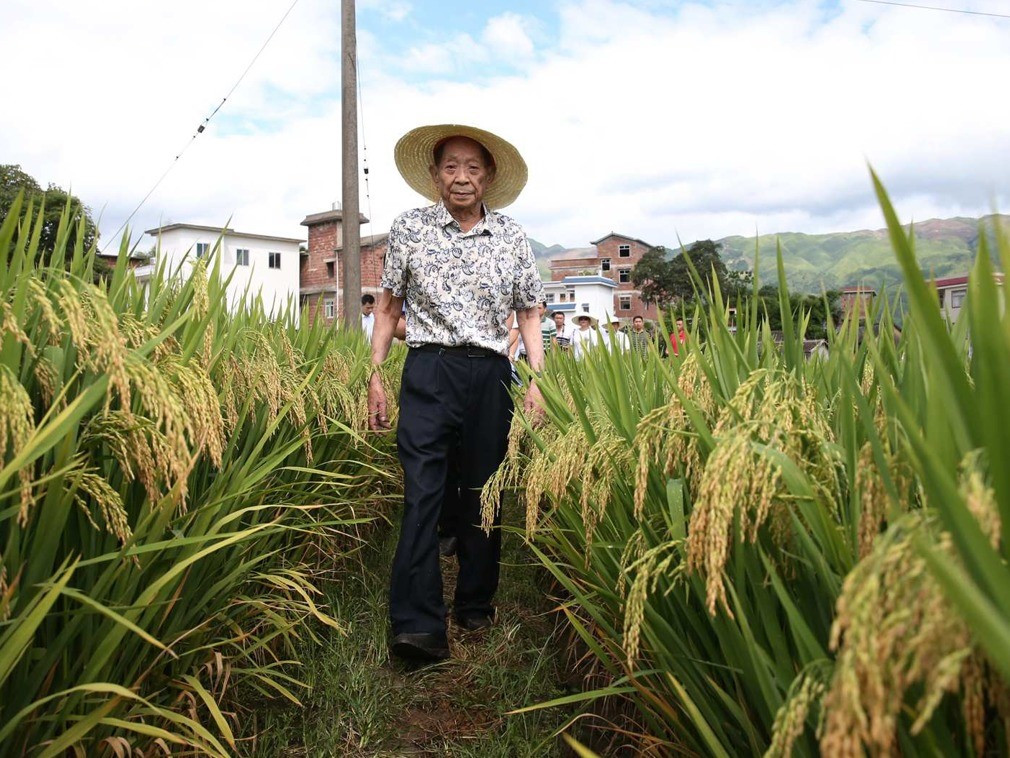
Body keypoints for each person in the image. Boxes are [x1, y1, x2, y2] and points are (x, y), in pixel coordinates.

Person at [367, 124, 545, 662]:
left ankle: (474, 602)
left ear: (489, 176)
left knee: (481, 492)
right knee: (422, 490)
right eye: (450, 167)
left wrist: (538, 381)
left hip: (490, 374)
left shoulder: (512, 236)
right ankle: (417, 626)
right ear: (434, 175)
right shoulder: (410, 228)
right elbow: (389, 307)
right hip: (427, 368)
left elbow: (530, 311)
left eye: (472, 167)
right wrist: (374, 374)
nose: (461, 177)